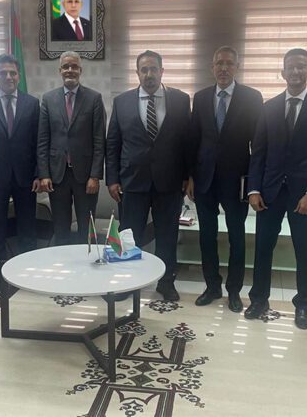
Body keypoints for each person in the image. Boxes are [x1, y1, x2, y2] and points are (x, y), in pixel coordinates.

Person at [244, 48, 307, 329]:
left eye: (301, 67)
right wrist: (253, 189)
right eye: (290, 67)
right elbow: (258, 152)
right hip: (269, 193)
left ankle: (304, 305)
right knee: (263, 249)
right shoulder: (269, 107)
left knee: (304, 251)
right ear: (282, 72)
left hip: (303, 196)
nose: (295, 72)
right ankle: (259, 299)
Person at [106, 50, 191, 302]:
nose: (149, 74)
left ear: (162, 71)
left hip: (170, 182)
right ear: (137, 73)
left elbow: (188, 141)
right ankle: (127, 283)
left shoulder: (181, 100)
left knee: (167, 236)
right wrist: (112, 179)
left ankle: (166, 283)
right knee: (130, 237)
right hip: (132, 182)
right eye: (144, 69)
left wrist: (188, 175)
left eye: (154, 69)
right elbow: (113, 143)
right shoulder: (122, 102)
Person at [186, 46, 263, 313]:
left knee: (236, 238)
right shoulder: (201, 97)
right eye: (219, 63)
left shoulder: (252, 98)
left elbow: (258, 144)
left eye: (229, 63)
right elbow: (193, 140)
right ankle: (212, 286)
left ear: (237, 67)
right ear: (212, 67)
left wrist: (254, 184)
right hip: (204, 180)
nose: (224, 68)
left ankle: (234, 291)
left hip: (237, 181)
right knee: (206, 237)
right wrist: (190, 177)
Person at [0, 54, 41, 296]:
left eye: (13, 73)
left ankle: (28, 274)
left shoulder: (32, 103)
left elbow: (38, 143)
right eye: (3, 73)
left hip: (26, 178)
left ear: (18, 75)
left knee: (27, 228)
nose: (9, 77)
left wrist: (38, 174)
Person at [37, 51, 106, 245]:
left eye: (74, 66)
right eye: (66, 67)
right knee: (60, 230)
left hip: (85, 177)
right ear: (60, 70)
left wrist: (95, 176)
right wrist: (44, 174)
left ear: (80, 70)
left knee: (86, 229)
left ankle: (87, 263)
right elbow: (42, 140)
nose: (70, 70)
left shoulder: (94, 98)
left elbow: (99, 140)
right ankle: (63, 263)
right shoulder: (48, 99)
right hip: (57, 176)